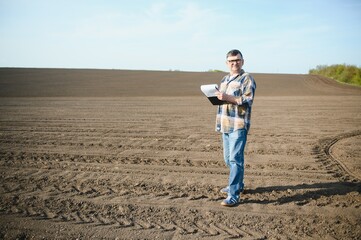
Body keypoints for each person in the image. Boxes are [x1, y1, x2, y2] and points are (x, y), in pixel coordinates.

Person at [215, 49, 256, 207]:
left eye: (237, 60)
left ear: (242, 61)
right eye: (231, 61)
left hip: (238, 124)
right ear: (227, 63)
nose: (234, 63)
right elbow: (222, 99)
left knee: (235, 159)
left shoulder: (247, 79)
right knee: (228, 159)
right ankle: (238, 185)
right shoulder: (224, 79)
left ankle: (234, 195)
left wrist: (227, 97)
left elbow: (248, 99)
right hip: (224, 123)